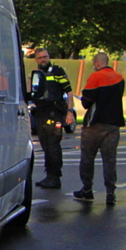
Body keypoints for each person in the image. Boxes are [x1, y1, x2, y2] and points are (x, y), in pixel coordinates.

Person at [73, 52, 125, 205]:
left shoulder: (95, 77)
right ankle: (110, 193)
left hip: (95, 125)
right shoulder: (120, 78)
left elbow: (87, 102)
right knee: (109, 160)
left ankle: (87, 190)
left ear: (96, 63)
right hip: (114, 125)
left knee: (88, 158)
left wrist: (84, 99)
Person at [27, 48, 74, 189]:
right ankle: (49, 176)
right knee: (45, 145)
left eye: (45, 56)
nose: (43, 59)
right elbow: (30, 93)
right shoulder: (36, 74)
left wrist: (70, 111)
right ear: (36, 59)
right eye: (40, 57)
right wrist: (31, 78)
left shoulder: (57, 71)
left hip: (54, 113)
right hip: (41, 113)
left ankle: (55, 177)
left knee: (53, 146)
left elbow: (69, 92)